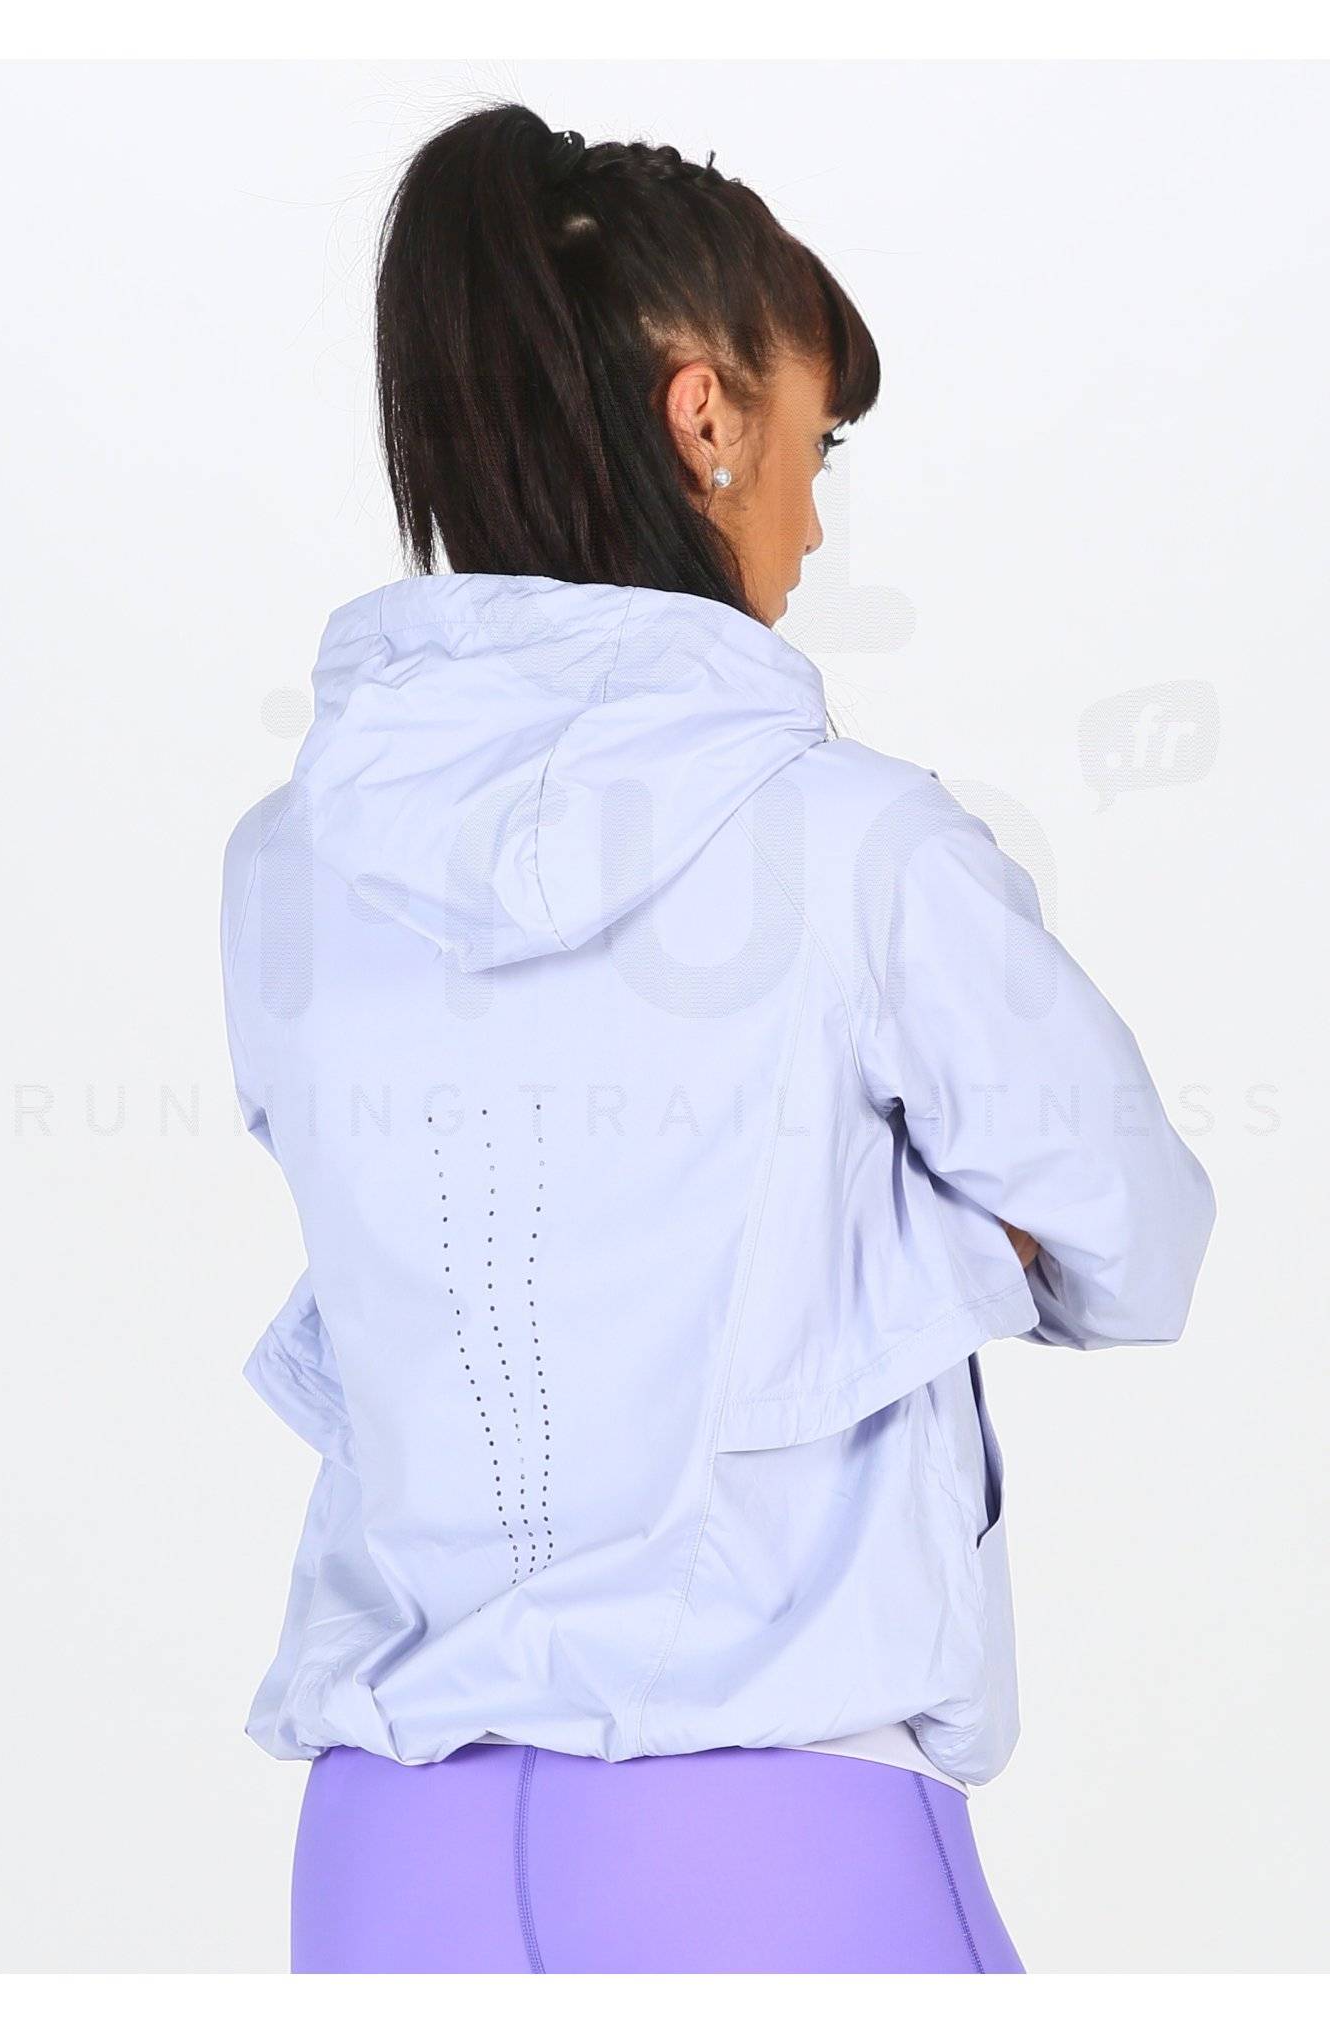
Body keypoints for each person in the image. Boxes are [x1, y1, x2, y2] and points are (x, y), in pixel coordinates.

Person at [220, 101, 1217, 1975]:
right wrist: (928, 1240)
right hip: (767, 1838)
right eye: (814, 445)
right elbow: (1138, 1234)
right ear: (706, 418)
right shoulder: (858, 846)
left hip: (385, 1857)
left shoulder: (284, 866)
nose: (815, 518)